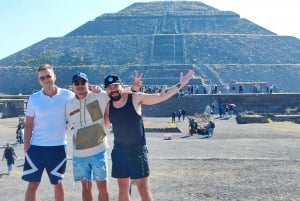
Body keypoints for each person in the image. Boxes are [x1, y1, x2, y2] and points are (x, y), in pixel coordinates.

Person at [103, 70, 194, 201]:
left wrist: (180, 84)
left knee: (143, 189)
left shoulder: (135, 98)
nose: (113, 90)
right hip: (119, 151)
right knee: (123, 189)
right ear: (106, 90)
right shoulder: (108, 107)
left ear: (121, 86)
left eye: (116, 86)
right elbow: (105, 125)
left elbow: (161, 96)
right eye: (110, 87)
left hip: (137, 151)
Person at [65, 72, 141, 201]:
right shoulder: (69, 104)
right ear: (72, 86)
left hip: (98, 151)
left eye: (83, 82)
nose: (80, 85)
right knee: (86, 188)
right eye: (76, 83)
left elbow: (118, 93)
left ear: (88, 84)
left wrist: (134, 88)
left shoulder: (99, 96)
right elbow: (64, 125)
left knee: (103, 188)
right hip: (79, 155)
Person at [22, 64, 74, 201]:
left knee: (58, 184)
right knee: (32, 184)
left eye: (48, 76)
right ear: (39, 80)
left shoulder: (68, 95)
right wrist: (26, 145)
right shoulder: (34, 98)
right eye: (42, 78)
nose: (46, 79)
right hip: (36, 147)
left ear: (54, 77)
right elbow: (29, 124)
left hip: (58, 147)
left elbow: (84, 99)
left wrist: (97, 91)